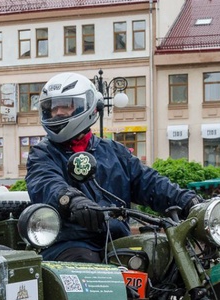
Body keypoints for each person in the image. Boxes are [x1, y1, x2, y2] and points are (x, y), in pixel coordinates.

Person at [25, 72, 200, 263]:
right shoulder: (43, 154)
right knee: (87, 269)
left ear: (87, 106)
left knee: (163, 263)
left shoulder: (115, 152)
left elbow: (150, 182)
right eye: (53, 107)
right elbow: (47, 184)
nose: (58, 112)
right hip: (70, 241)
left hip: (118, 238)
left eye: (66, 105)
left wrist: (189, 201)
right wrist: (72, 201)